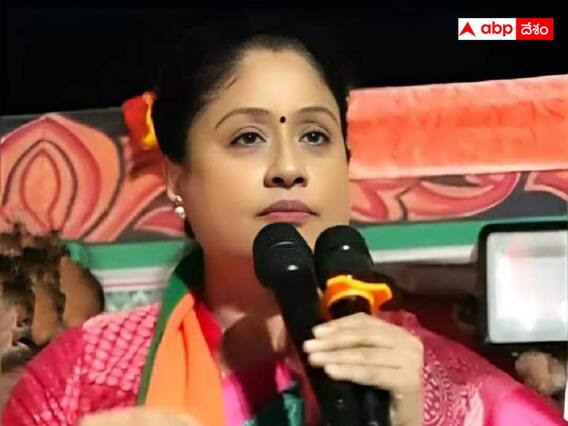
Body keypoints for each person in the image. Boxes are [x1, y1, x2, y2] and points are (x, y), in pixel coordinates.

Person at [3, 19, 566, 426]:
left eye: (316, 136)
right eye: (248, 137)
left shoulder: (446, 387)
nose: (290, 167)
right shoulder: (84, 378)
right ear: (177, 177)